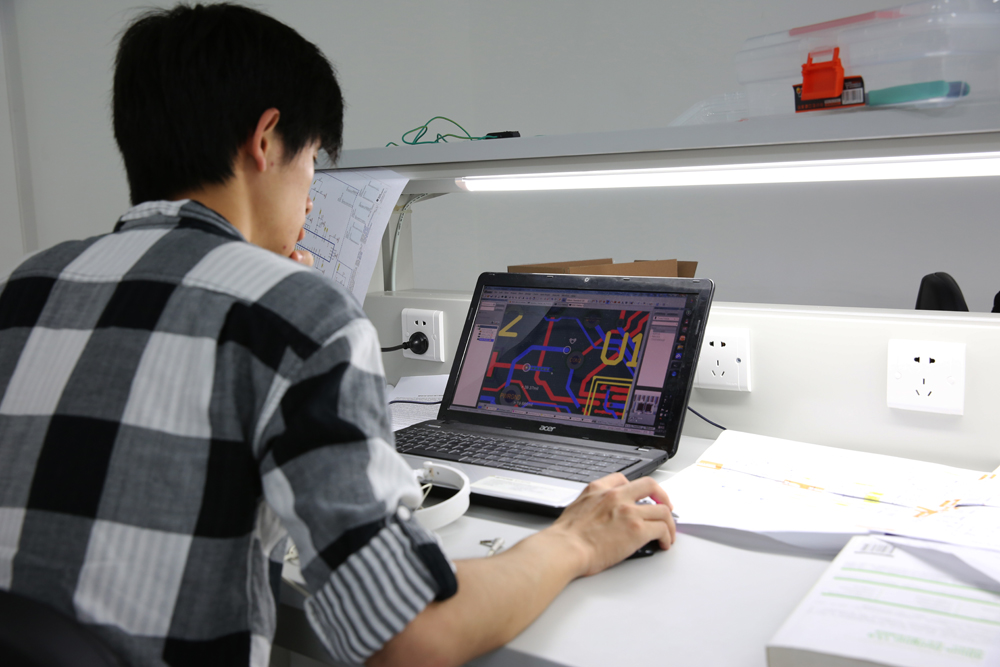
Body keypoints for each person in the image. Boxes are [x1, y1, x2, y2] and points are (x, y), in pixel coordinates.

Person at [0, 4, 676, 666]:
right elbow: (409, 638)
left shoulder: (30, 285)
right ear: (266, 140)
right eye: (313, 163)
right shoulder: (295, 311)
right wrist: (574, 541)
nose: (310, 197)